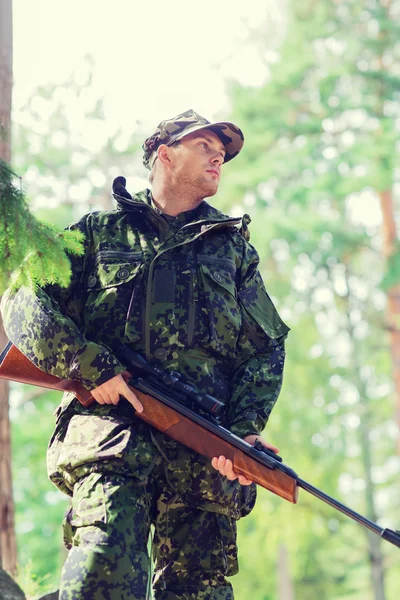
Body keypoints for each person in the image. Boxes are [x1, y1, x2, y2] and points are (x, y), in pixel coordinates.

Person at [1, 109, 289, 600]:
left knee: (199, 592)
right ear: (165, 154)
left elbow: (267, 349)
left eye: (224, 153)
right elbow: (24, 298)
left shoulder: (234, 252)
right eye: (205, 146)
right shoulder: (98, 233)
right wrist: (88, 365)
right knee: (101, 578)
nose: (219, 156)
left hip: (202, 456)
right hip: (112, 439)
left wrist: (242, 431)